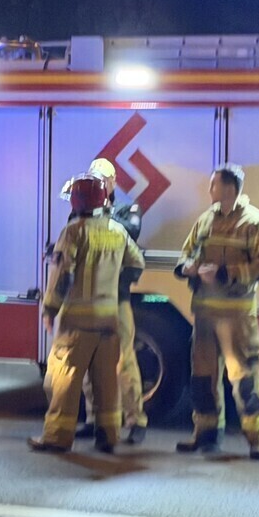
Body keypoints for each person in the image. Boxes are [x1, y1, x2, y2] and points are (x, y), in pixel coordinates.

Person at [29, 173, 145, 454]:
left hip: (78, 320)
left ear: (77, 200)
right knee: (106, 380)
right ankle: (108, 435)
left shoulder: (73, 231)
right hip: (109, 318)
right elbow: (136, 264)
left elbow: (62, 276)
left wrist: (49, 309)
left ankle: (57, 436)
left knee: (63, 378)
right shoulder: (118, 231)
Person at [174, 163, 259, 460]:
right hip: (204, 316)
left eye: (214, 184)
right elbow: (186, 253)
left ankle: (256, 440)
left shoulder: (254, 222)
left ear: (229, 188)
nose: (209, 190)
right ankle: (206, 436)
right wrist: (187, 268)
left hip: (237, 319)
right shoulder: (205, 220)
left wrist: (222, 273)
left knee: (244, 380)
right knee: (202, 380)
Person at [77, 157, 149, 445]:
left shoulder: (126, 210)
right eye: (93, 180)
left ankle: (136, 420)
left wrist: (99, 212)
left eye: (102, 180)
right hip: (88, 301)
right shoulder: (80, 212)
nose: (98, 185)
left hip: (116, 300)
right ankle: (95, 419)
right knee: (89, 364)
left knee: (124, 362)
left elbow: (130, 230)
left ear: (113, 182)